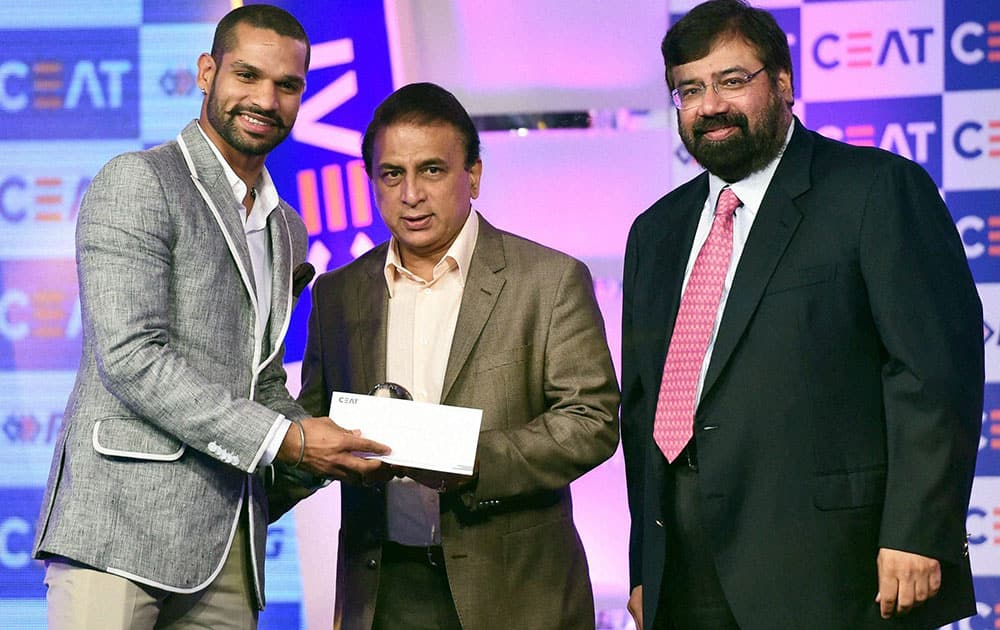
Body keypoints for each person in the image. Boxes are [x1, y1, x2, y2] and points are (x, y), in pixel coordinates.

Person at [621, 1, 983, 629]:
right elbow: (645, 407)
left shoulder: (876, 190)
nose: (710, 104)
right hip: (686, 574)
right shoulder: (655, 232)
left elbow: (932, 372)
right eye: (689, 89)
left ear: (783, 83)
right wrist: (643, 567)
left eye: (732, 80)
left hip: (833, 571)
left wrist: (919, 530)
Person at [32, 6, 387, 629]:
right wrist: (293, 441)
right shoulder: (138, 180)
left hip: (230, 543)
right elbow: (132, 359)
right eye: (246, 75)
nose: (265, 99)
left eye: (287, 85)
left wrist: (350, 443)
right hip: (118, 534)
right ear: (206, 72)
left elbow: (263, 383)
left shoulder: (288, 230)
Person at [289, 81, 620, 629]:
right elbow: (316, 426)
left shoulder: (549, 280)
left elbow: (592, 422)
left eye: (432, 170)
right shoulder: (337, 293)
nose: (411, 194)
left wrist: (468, 460)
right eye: (392, 174)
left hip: (515, 592)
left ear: (474, 175)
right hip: (382, 590)